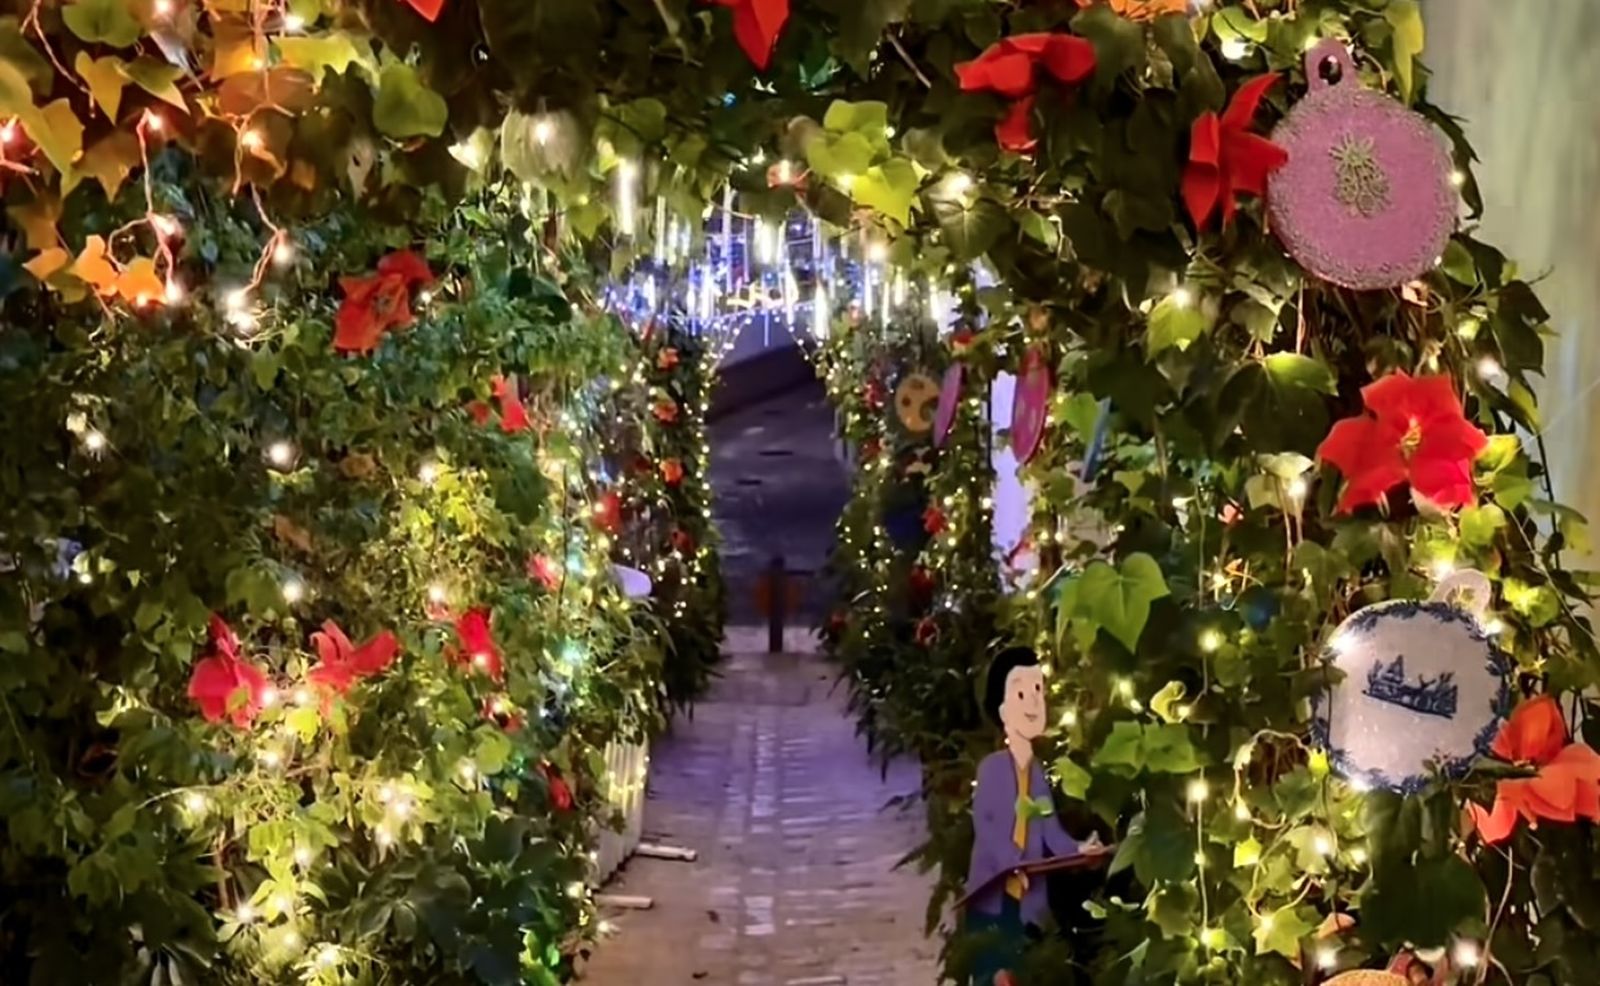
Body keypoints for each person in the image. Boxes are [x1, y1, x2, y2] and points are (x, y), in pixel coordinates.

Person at [965, 647, 1104, 986]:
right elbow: (988, 828)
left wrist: (1081, 853)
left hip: (1030, 904)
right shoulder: (992, 769)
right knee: (996, 973)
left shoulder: (1037, 773)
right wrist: (1011, 862)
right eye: (1021, 692)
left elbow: (1050, 835)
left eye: (1038, 690)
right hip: (994, 898)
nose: (1032, 702)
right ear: (1001, 707)